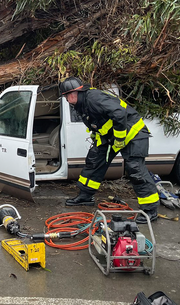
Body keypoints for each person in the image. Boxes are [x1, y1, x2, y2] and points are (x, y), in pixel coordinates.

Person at [59, 76, 159, 223]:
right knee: (94, 161)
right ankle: (85, 196)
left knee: (135, 170)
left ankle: (150, 210)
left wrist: (119, 139)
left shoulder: (94, 98)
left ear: (75, 93)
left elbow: (119, 113)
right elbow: (100, 122)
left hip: (132, 134)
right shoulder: (82, 103)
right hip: (111, 136)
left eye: (67, 96)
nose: (67, 100)